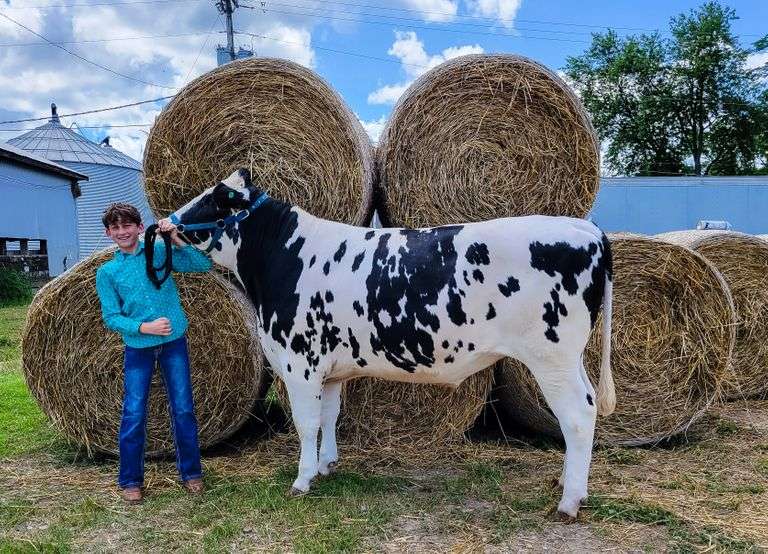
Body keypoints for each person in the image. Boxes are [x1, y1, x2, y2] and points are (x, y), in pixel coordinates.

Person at [95, 203, 212, 504]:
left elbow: (202, 264)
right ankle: (130, 480)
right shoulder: (108, 272)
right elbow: (111, 317)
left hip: (174, 342)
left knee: (183, 409)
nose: (122, 232)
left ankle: (191, 473)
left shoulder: (158, 251)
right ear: (109, 233)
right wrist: (143, 327)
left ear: (137, 226)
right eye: (116, 228)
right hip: (138, 349)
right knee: (134, 413)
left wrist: (175, 237)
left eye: (127, 226)